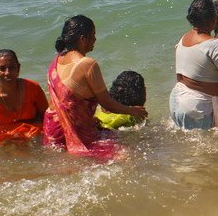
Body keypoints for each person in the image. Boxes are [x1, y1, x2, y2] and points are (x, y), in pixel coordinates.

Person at [43, 15, 147, 157]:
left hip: (52, 128)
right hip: (74, 131)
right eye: (93, 35)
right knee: (125, 156)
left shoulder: (57, 59)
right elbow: (107, 103)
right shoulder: (87, 64)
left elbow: (66, 100)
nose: (95, 40)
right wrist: (133, 111)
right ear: (82, 39)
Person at [171, 0, 218, 130]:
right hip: (196, 109)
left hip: (176, 101)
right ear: (213, 18)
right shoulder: (214, 45)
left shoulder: (183, 39)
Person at [0, 49, 49, 145]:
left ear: (18, 69)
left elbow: (48, 118)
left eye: (12, 67)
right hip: (9, 139)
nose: (7, 73)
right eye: (2, 68)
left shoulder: (33, 88)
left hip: (35, 135)